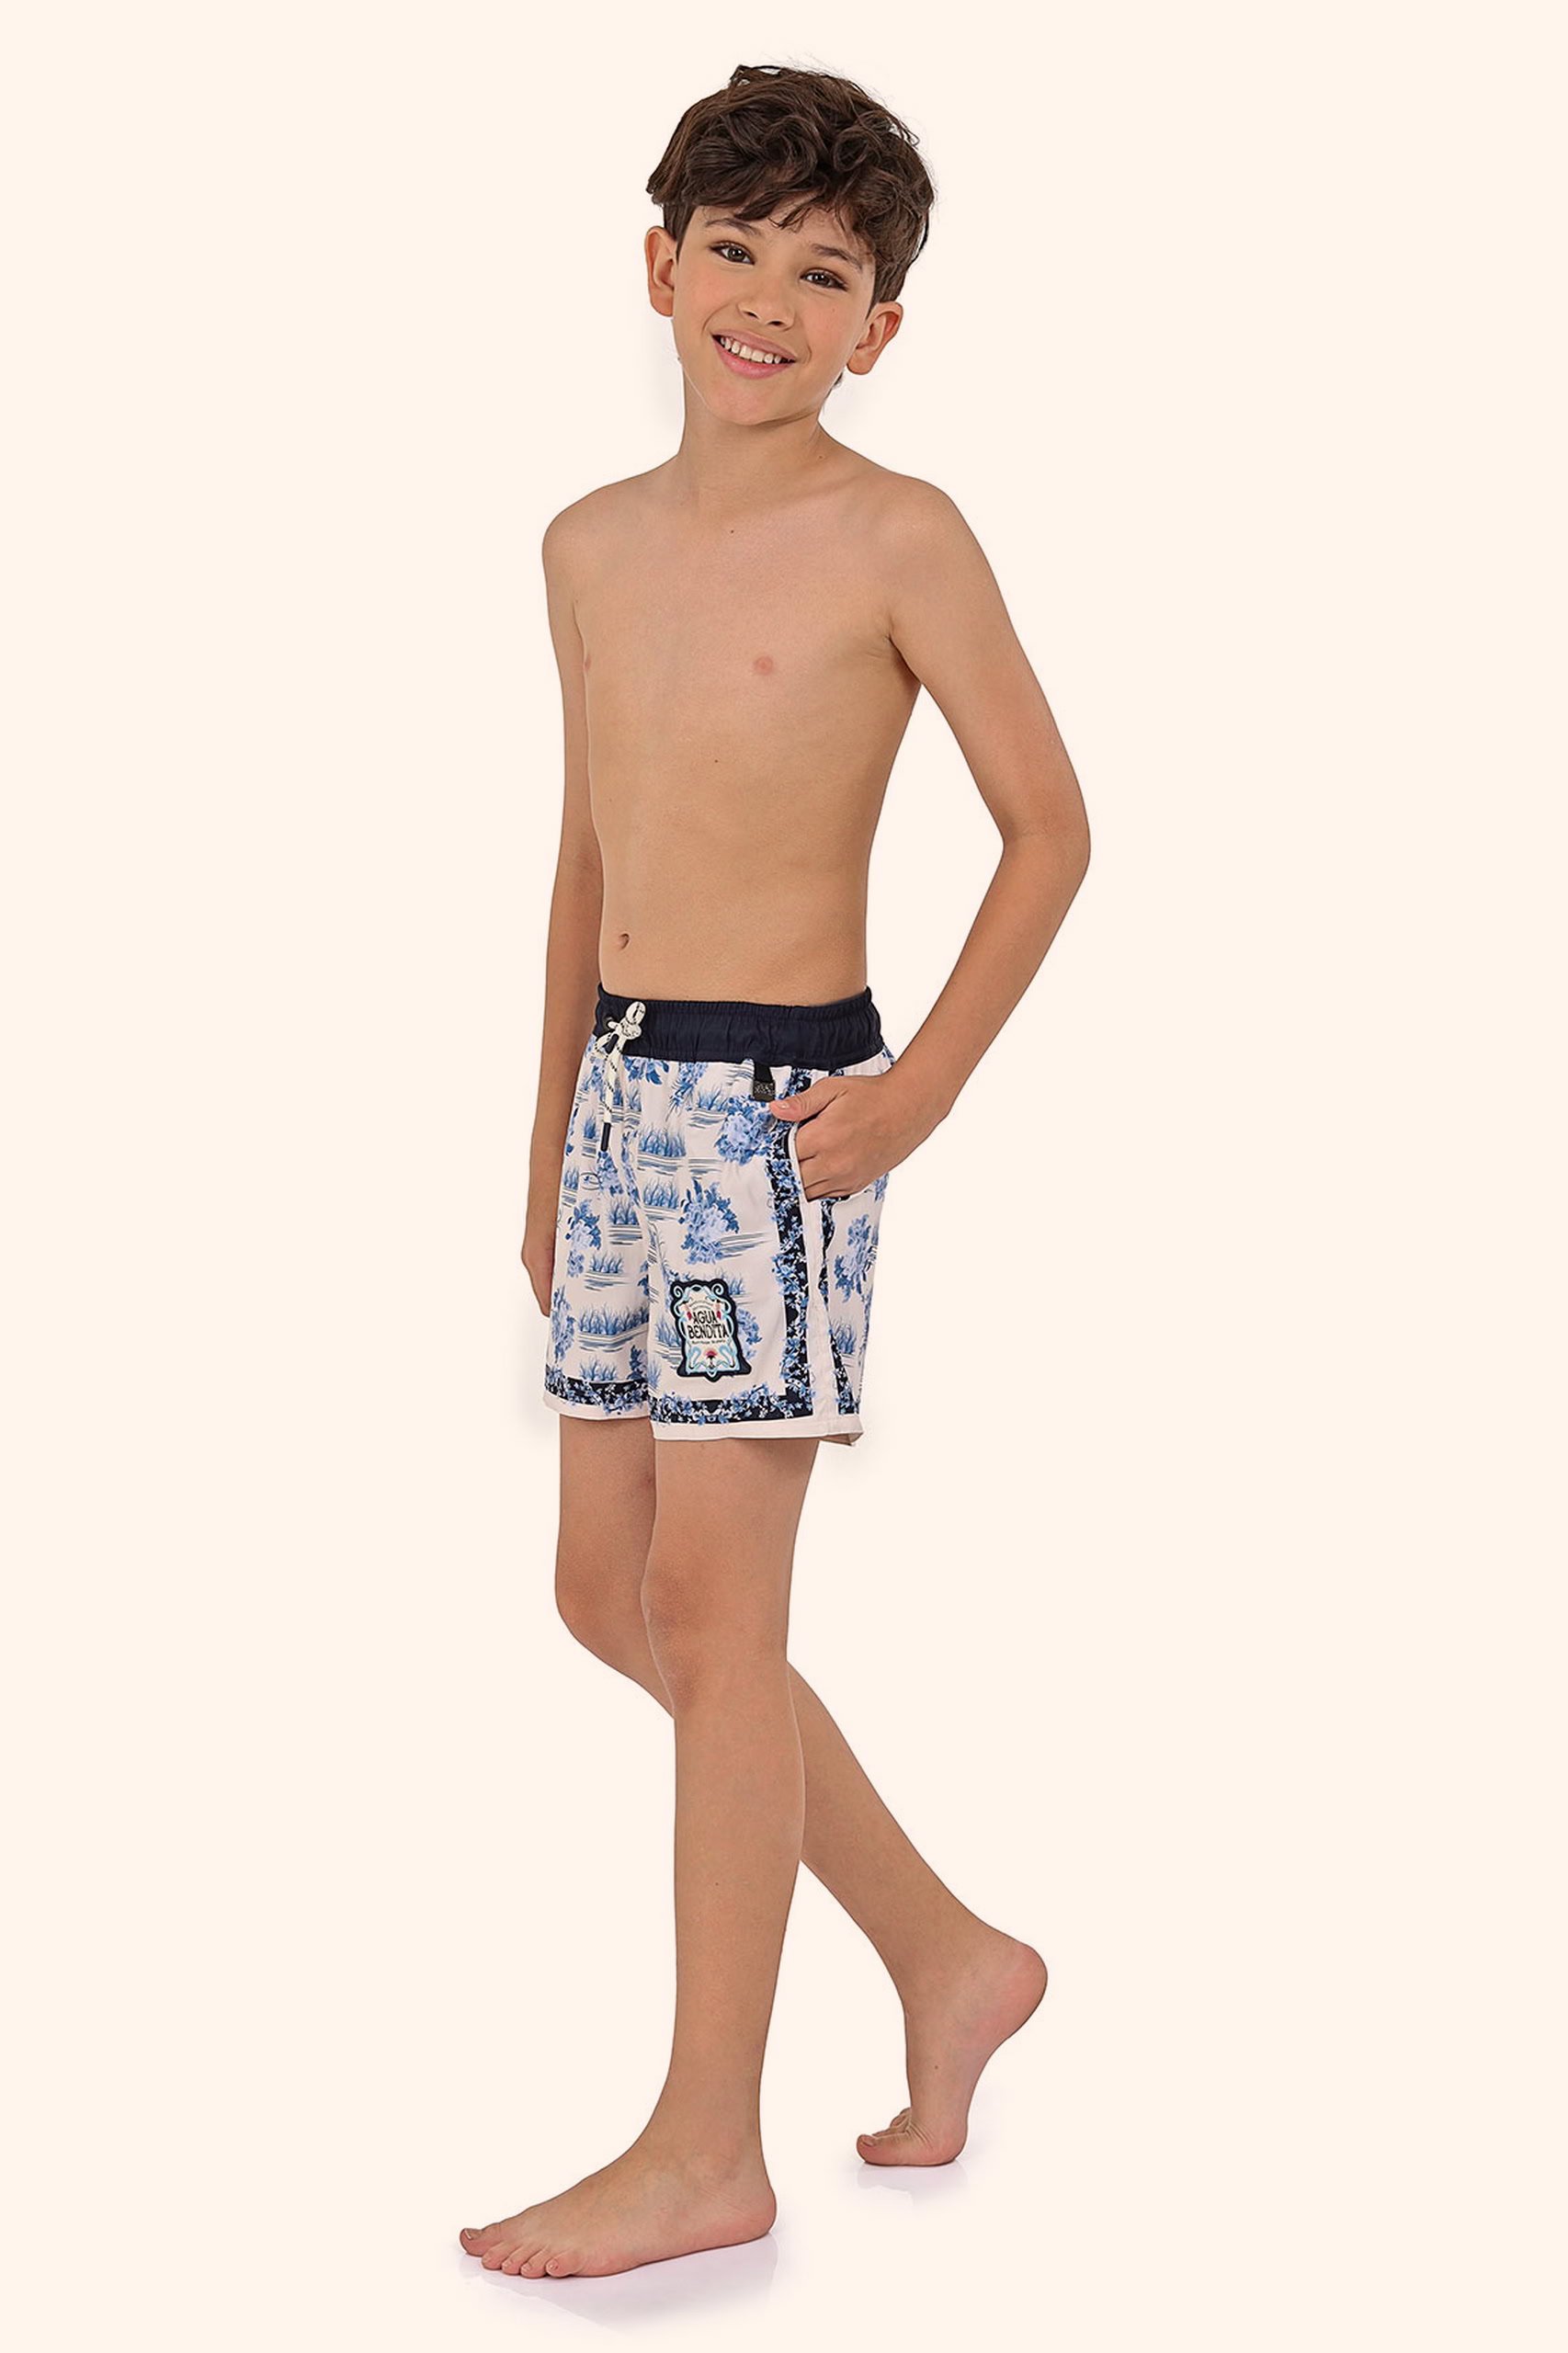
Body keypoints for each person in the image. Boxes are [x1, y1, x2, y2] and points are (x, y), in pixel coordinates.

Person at [460, 61, 1090, 2281]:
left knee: (723, 1616)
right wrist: (544, 1143)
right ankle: (945, 1947)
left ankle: (702, 2140)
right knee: (605, 1592)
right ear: (660, 268)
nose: (766, 299)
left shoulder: (899, 535)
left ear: (876, 329)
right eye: (732, 250)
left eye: (821, 274)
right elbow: (585, 859)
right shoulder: (586, 544)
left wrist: (919, 1090)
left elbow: (1050, 828)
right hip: (624, 1106)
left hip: (775, 1119)